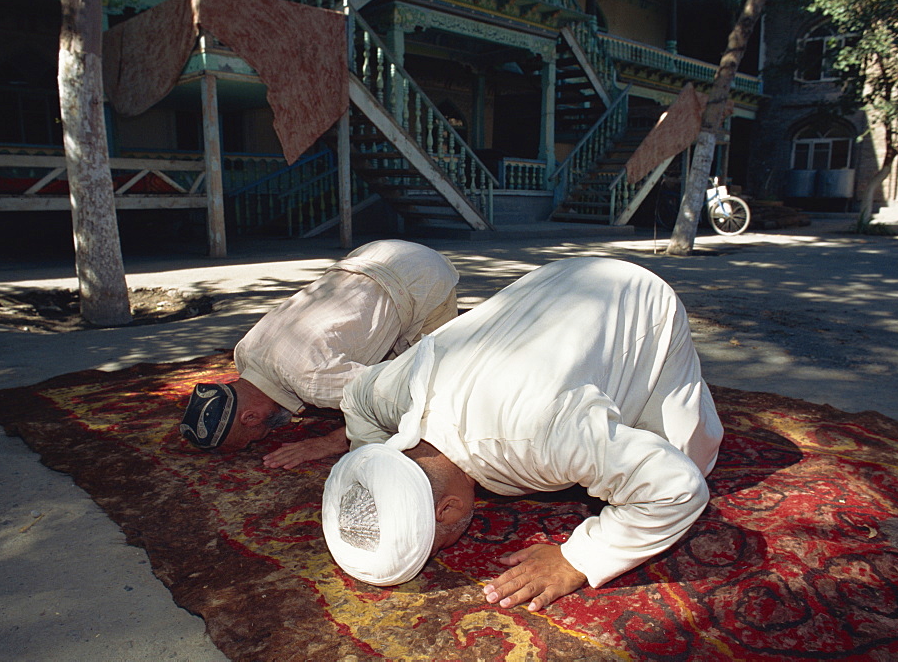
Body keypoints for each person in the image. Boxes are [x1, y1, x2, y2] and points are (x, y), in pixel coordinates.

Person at [321, 257, 723, 612]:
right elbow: (356, 395)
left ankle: (669, 373)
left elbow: (677, 489)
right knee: (607, 437)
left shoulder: (539, 438)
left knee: (692, 458)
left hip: (635, 297)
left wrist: (577, 560)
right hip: (561, 278)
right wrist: (379, 466)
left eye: (438, 546)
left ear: (450, 510)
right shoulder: (393, 393)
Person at [178, 239, 459, 468]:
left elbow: (391, 402)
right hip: (372, 253)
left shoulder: (313, 381)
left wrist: (326, 443)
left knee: (436, 387)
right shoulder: (245, 351)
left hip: (420, 275)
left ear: (250, 418)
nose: (264, 437)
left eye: (253, 439)